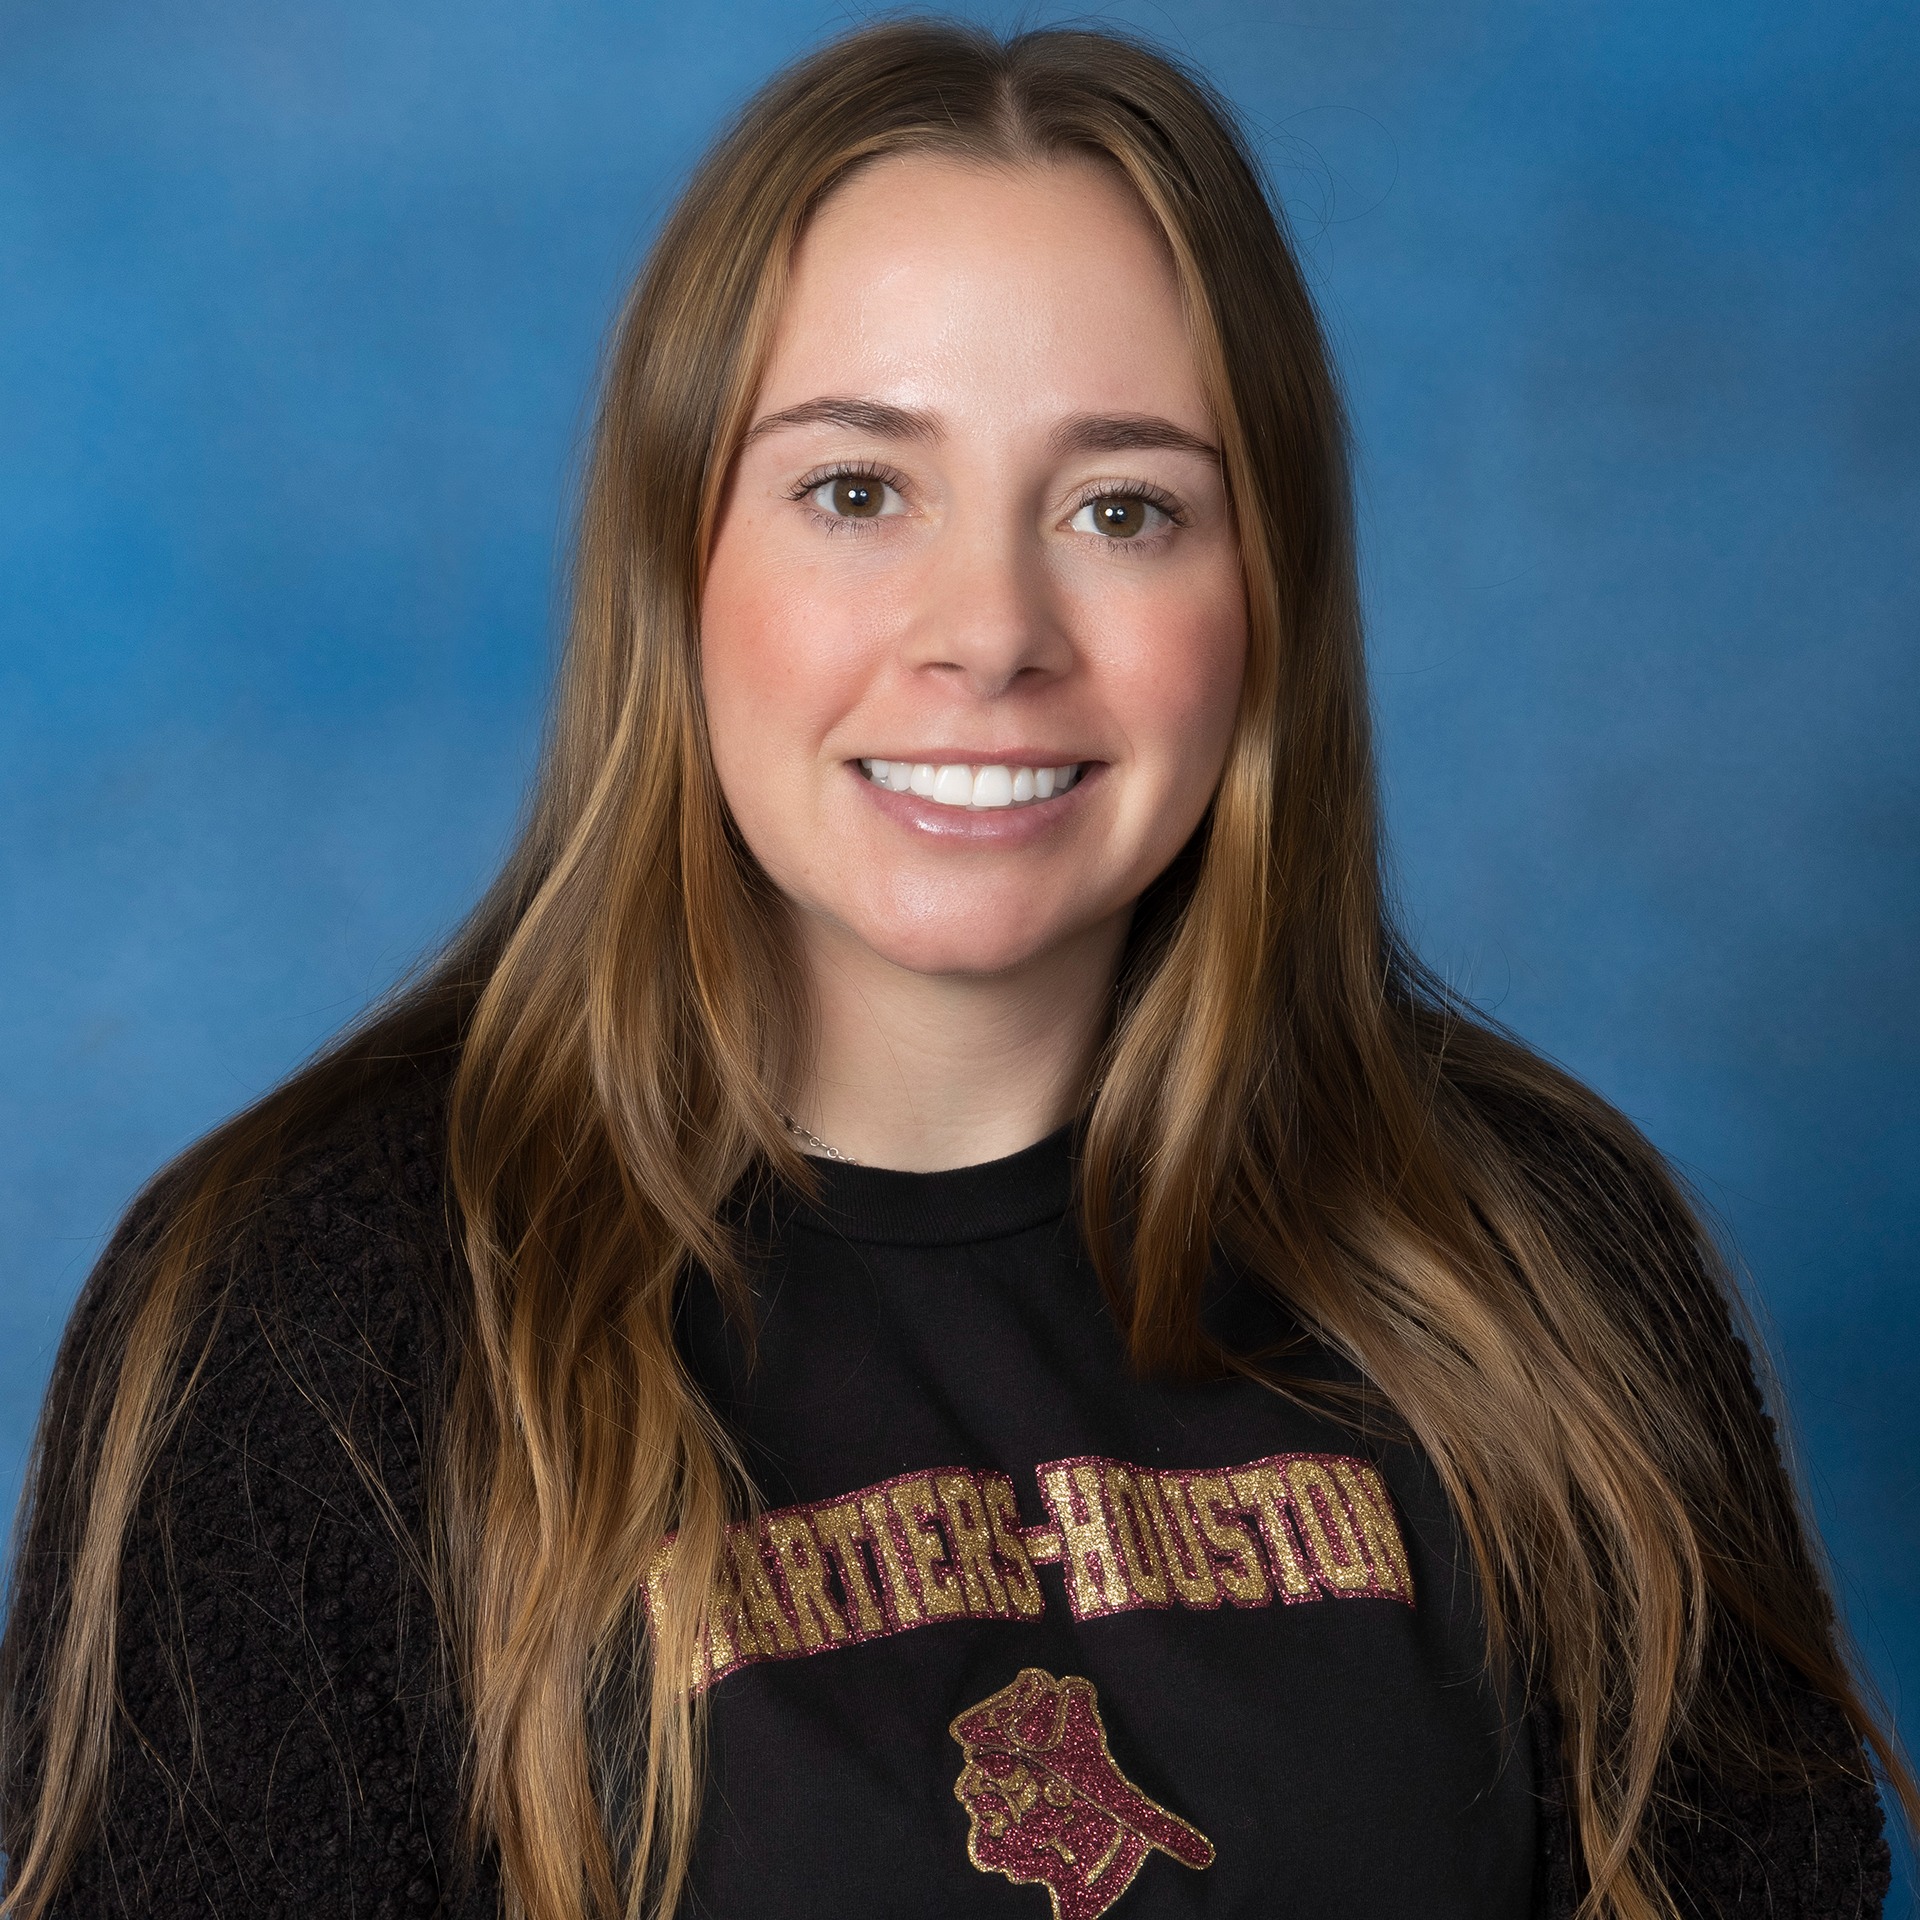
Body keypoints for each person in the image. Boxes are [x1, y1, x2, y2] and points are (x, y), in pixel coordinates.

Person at [0, 20, 1907, 1920]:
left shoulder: (1538, 1268)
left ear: (1265, 602)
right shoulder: (310, 1321)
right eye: (857, 491)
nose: (990, 633)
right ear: (676, 560)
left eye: (1122, 509)